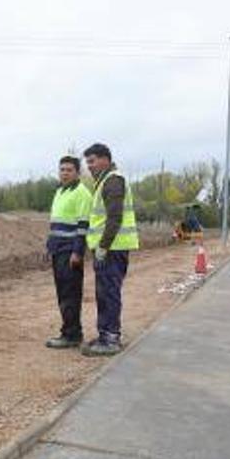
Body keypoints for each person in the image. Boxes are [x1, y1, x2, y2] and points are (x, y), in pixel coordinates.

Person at [82, 143, 140, 356]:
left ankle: (111, 338)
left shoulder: (113, 181)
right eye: (87, 162)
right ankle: (104, 334)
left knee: (109, 292)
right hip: (107, 248)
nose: (89, 166)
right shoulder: (104, 181)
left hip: (112, 249)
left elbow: (114, 218)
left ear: (105, 159)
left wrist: (103, 247)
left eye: (92, 161)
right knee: (103, 293)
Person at [44, 155, 94, 348]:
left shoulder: (82, 193)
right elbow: (56, 224)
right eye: (62, 169)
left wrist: (78, 252)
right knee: (62, 293)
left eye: (69, 170)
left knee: (70, 294)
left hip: (70, 252)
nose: (64, 173)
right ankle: (69, 331)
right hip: (58, 250)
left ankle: (72, 335)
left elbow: (83, 226)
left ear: (77, 172)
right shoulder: (60, 192)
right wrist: (49, 247)